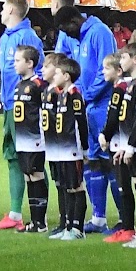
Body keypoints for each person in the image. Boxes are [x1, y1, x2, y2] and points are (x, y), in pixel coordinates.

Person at [51, 0, 119, 232]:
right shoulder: (75, 35)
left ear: (74, 20)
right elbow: (71, 68)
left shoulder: (99, 32)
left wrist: (86, 95)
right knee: (92, 161)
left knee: (111, 161)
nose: (66, 36)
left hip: (102, 105)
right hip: (86, 107)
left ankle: (123, 218)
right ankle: (98, 217)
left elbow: (108, 70)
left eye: (66, 29)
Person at [101, 42, 136, 248]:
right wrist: (124, 146)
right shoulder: (131, 84)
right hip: (129, 143)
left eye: (124, 57)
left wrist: (132, 145)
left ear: (135, 59)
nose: (121, 61)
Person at [0, 0, 43, 230]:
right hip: (9, 104)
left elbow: (39, 70)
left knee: (30, 160)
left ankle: (36, 214)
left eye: (3, 8)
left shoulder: (27, 36)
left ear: (12, 10)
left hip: (23, 105)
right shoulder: (6, 37)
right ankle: (15, 213)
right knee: (12, 155)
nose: (0, 12)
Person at [44, 55, 88, 241]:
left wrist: (84, 149)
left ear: (67, 76)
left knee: (76, 187)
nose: (55, 76)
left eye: (59, 73)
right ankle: (68, 225)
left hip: (73, 149)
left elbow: (81, 123)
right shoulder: (61, 94)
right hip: (62, 148)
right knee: (68, 187)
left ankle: (78, 228)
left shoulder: (74, 94)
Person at [11, 44, 49, 234]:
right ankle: (34, 220)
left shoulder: (38, 86)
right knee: (28, 175)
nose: (14, 64)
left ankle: (40, 221)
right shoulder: (19, 85)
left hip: (35, 138)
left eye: (18, 61)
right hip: (22, 139)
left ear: (30, 63)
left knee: (36, 175)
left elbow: (45, 112)